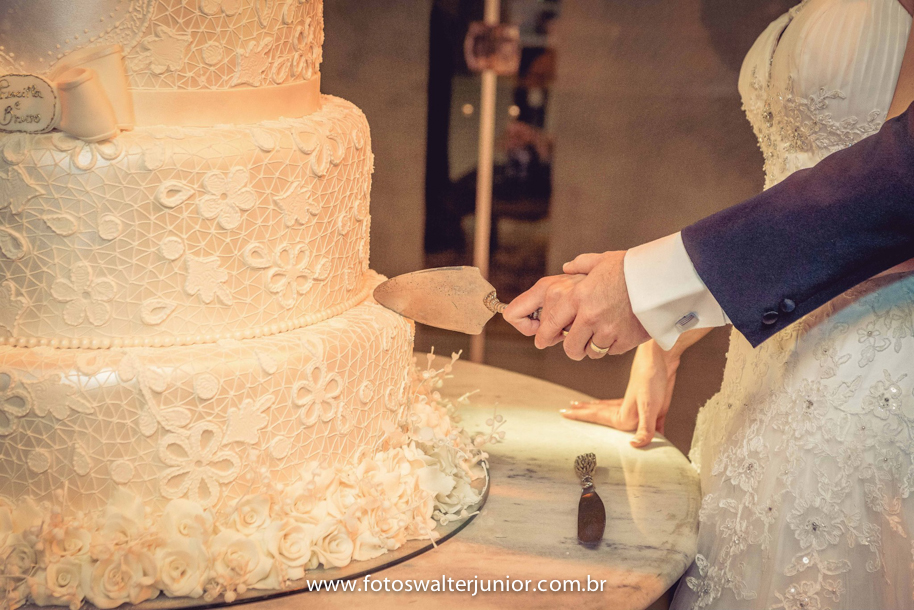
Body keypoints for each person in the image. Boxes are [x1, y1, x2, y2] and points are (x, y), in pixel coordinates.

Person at [505, 0, 914, 608]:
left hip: (863, 378)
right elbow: (799, 183)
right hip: (765, 375)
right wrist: (672, 334)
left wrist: (647, 290)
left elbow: (895, 193)